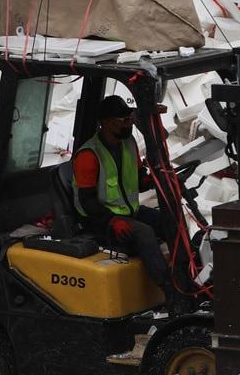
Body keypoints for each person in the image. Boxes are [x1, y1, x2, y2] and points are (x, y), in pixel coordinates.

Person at [72, 95, 186, 311]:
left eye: (129, 119)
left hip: (128, 212)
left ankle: (188, 274)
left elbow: (136, 181)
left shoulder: (128, 144)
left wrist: (155, 180)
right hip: (100, 220)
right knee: (144, 233)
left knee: (170, 219)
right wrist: (112, 220)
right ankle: (169, 291)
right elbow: (86, 200)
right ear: (106, 122)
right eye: (122, 120)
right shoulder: (89, 155)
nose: (128, 124)